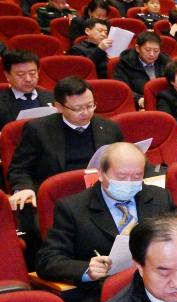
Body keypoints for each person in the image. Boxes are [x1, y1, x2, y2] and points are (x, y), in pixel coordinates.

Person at [36, 142, 177, 302]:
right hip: (104, 296)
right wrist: (87, 269)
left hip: (162, 285)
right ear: (101, 174)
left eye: (137, 176)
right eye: (121, 177)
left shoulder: (160, 197)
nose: (129, 183)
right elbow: (47, 261)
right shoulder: (72, 208)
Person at [8, 77, 123, 209]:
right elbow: (20, 168)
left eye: (90, 106)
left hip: (102, 193)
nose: (86, 113)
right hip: (59, 197)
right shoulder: (38, 130)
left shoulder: (109, 127)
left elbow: (124, 161)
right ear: (59, 107)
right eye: (77, 109)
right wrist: (24, 188)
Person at [114, 31, 173, 108]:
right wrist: (138, 99)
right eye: (148, 50)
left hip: (164, 103)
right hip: (138, 105)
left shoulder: (166, 62)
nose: (152, 54)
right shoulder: (125, 63)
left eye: (156, 51)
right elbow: (122, 89)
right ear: (138, 48)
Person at [0, 50, 53, 131]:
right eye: (21, 74)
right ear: (7, 76)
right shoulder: (1, 102)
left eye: (32, 73)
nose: (28, 79)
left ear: (38, 72)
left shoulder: (53, 97)